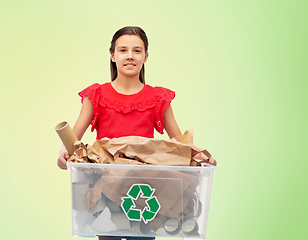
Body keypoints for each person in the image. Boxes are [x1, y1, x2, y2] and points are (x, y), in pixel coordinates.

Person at [57, 26, 216, 240]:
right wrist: (62, 153)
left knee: (142, 236)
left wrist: (200, 156)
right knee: (107, 234)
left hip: (144, 190)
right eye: (123, 50)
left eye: (137, 51)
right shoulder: (96, 95)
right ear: (112, 55)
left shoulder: (157, 98)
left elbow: (179, 146)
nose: (130, 56)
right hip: (105, 187)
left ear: (146, 57)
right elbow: (73, 140)